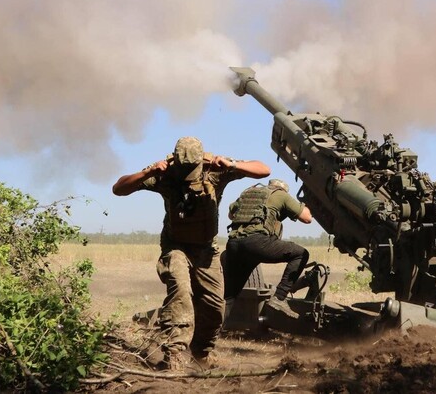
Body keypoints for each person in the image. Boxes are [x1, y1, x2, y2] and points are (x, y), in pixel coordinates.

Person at [112, 136, 270, 369]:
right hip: (176, 247)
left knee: (215, 306)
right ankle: (174, 353)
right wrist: (147, 173)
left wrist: (232, 165)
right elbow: (119, 189)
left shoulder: (215, 169)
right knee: (181, 293)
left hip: (206, 250)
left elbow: (263, 170)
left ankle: (202, 353)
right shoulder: (164, 174)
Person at [223, 179, 313, 319]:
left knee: (229, 295)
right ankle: (279, 298)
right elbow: (307, 218)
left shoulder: (248, 192)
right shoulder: (281, 195)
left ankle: (212, 334)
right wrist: (306, 206)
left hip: (233, 244)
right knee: (300, 254)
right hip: (257, 243)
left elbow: (231, 215)